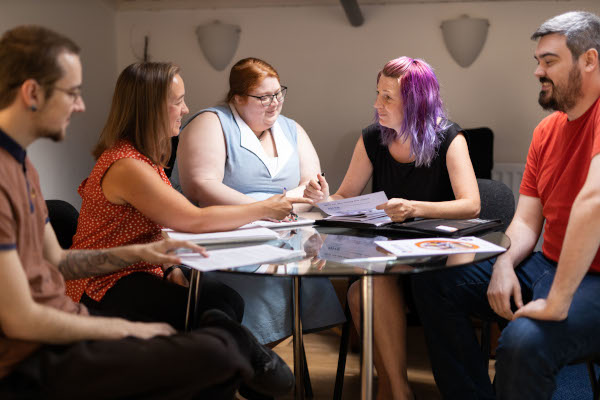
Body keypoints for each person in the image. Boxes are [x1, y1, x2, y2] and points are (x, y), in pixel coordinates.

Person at [0, 25, 294, 399]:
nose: (80, 105)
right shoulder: (117, 164)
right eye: (72, 93)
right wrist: (131, 331)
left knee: (220, 340)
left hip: (71, 320)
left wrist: (147, 255)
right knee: (219, 352)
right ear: (32, 93)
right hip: (37, 357)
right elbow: (20, 319)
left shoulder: (23, 166)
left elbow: (58, 260)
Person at [411, 11, 600, 400]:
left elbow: (593, 202)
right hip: (546, 264)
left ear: (590, 60)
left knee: (522, 341)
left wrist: (557, 302)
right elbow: (527, 221)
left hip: (593, 279)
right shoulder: (546, 131)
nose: (537, 71)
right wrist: (503, 263)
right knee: (434, 281)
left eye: (549, 61)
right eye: (537, 61)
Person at [63, 61, 310, 336]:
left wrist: (170, 269)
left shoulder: (145, 158)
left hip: (141, 269)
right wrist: (264, 207)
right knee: (213, 313)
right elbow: (193, 220)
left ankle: (243, 372)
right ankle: (260, 372)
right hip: (104, 283)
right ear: (151, 109)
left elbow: (156, 228)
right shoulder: (127, 166)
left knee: (227, 302)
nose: (186, 109)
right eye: (178, 102)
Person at [304, 56, 480, 400]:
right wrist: (324, 198)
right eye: (377, 94)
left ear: (415, 102)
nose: (376, 104)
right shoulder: (373, 138)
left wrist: (414, 208)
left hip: (433, 257)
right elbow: (345, 195)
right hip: (385, 253)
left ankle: (391, 389)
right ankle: (395, 388)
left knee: (373, 286)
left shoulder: (449, 137)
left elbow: (471, 204)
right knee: (362, 291)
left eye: (387, 97)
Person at [170, 57, 345, 345]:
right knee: (252, 290)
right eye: (263, 97)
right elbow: (201, 185)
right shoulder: (211, 122)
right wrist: (260, 210)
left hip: (285, 236)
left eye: (278, 93)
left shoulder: (292, 129)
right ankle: (246, 359)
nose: (274, 102)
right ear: (237, 98)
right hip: (226, 236)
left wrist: (316, 193)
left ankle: (259, 366)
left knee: (298, 273)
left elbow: (310, 182)